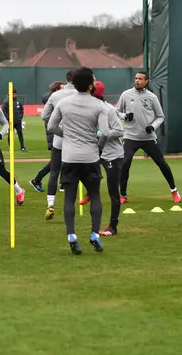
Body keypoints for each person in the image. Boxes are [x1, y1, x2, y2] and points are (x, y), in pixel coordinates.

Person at [47, 67, 110, 255]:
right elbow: (105, 132)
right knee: (95, 195)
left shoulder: (64, 103)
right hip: (90, 156)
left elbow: (51, 126)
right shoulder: (99, 106)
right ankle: (94, 234)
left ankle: (71, 235)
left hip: (69, 156)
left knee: (69, 197)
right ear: (91, 85)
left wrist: (67, 134)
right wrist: (98, 145)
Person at [116, 72, 181, 205]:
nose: (137, 81)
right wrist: (124, 116)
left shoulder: (152, 97)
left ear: (146, 81)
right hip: (130, 137)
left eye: (140, 79)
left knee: (161, 163)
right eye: (136, 78)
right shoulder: (126, 94)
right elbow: (116, 111)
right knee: (125, 163)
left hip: (148, 138)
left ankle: (174, 190)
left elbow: (160, 116)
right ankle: (122, 194)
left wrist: (152, 126)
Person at [83, 81, 124, 236]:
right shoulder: (90, 108)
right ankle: (89, 192)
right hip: (96, 152)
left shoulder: (108, 110)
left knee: (113, 191)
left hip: (113, 155)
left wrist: (101, 134)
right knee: (84, 172)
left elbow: (119, 131)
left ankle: (113, 226)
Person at [40, 70, 77, 219]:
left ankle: (50, 204)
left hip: (60, 139)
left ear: (67, 80)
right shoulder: (84, 95)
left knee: (54, 171)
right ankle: (75, 203)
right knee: (80, 171)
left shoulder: (56, 95)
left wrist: (57, 124)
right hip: (79, 139)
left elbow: (44, 116)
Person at [29, 81, 64, 193]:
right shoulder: (54, 101)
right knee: (56, 163)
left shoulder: (56, 100)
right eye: (63, 87)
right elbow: (49, 119)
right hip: (56, 135)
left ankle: (38, 180)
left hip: (56, 134)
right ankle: (38, 180)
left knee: (57, 162)